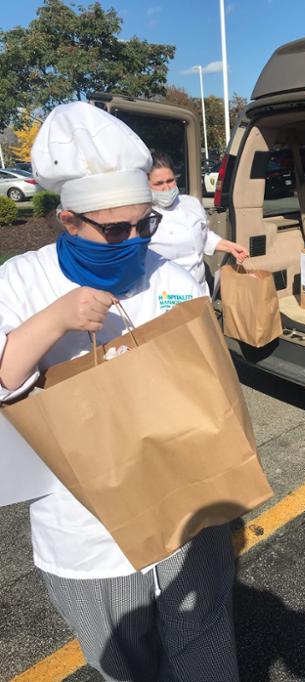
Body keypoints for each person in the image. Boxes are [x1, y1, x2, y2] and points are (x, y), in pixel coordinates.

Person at [0, 102, 239, 682]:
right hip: (85, 529)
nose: (133, 240)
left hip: (187, 509)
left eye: (143, 224)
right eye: (114, 228)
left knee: (204, 647)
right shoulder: (22, 279)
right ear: (68, 219)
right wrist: (56, 319)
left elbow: (206, 383)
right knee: (123, 664)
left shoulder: (169, 276)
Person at [148, 152, 249, 296]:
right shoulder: (142, 216)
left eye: (170, 180)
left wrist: (229, 246)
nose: (167, 188)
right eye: (159, 184)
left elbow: (204, 235)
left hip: (199, 290)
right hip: (166, 297)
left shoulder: (191, 203)